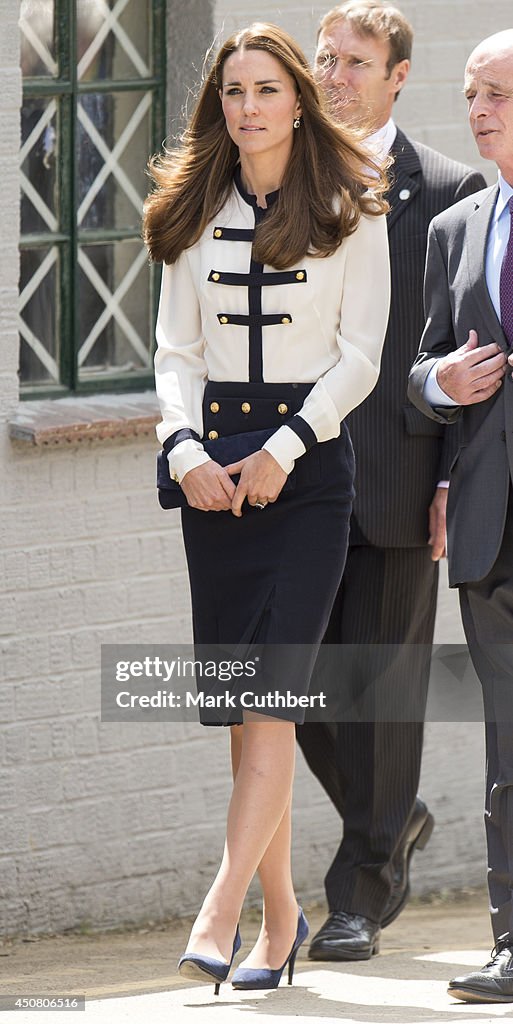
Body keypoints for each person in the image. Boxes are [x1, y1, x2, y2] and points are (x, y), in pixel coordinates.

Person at [143, 22, 390, 994]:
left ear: (299, 99)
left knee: (274, 695)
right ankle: (282, 919)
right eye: (232, 91)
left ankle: (221, 903)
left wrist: (287, 448)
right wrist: (184, 446)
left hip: (307, 473)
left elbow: (361, 355)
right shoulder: (192, 209)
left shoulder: (350, 203)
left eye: (265, 89)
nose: (247, 107)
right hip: (212, 476)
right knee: (252, 720)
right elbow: (174, 353)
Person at [296, 0, 486, 963]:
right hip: (294, 478)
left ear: (397, 75)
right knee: (281, 685)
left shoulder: (447, 192)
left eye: (353, 61)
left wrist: (451, 478)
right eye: (323, 59)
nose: (332, 75)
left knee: (379, 692)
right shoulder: (282, 181)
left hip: (400, 481)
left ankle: (358, 895)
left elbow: (462, 353)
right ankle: (393, 813)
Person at [408, 28, 513, 1005]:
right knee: (507, 737)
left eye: (496, 94)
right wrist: (439, 380)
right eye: (472, 92)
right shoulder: (458, 228)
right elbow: (418, 373)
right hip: (490, 526)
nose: (476, 108)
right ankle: (512, 942)